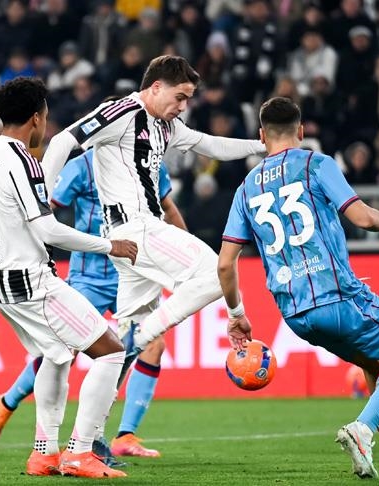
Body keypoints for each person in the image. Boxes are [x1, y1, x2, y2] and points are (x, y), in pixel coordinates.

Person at [217, 97, 379, 479]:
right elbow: (361, 217)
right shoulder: (316, 164)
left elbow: (225, 263)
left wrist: (237, 316)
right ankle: (363, 430)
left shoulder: (245, 188)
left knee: (375, 365)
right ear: (301, 131)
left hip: (295, 313)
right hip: (336, 295)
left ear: (262, 136)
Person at [41, 55, 266, 377]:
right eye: (180, 97)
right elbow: (64, 140)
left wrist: (262, 146)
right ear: (157, 87)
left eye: (188, 99)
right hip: (137, 228)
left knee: (117, 355)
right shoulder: (121, 112)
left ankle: (97, 409)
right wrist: (40, 197)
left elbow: (210, 145)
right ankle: (142, 334)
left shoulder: (166, 126)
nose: (184, 106)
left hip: (131, 240)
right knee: (216, 274)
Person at [0, 77, 138, 479]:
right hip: (30, 281)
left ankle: (44, 453)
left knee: (57, 355)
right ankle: (80, 452)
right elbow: (48, 230)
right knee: (112, 351)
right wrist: (110, 245)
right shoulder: (23, 161)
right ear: (37, 118)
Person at [0, 148, 185, 461]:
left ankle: (125, 435)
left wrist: (186, 258)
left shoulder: (150, 163)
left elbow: (168, 209)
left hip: (134, 275)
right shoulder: (80, 167)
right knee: (64, 352)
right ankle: (7, 403)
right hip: (89, 277)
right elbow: (43, 214)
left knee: (153, 345)